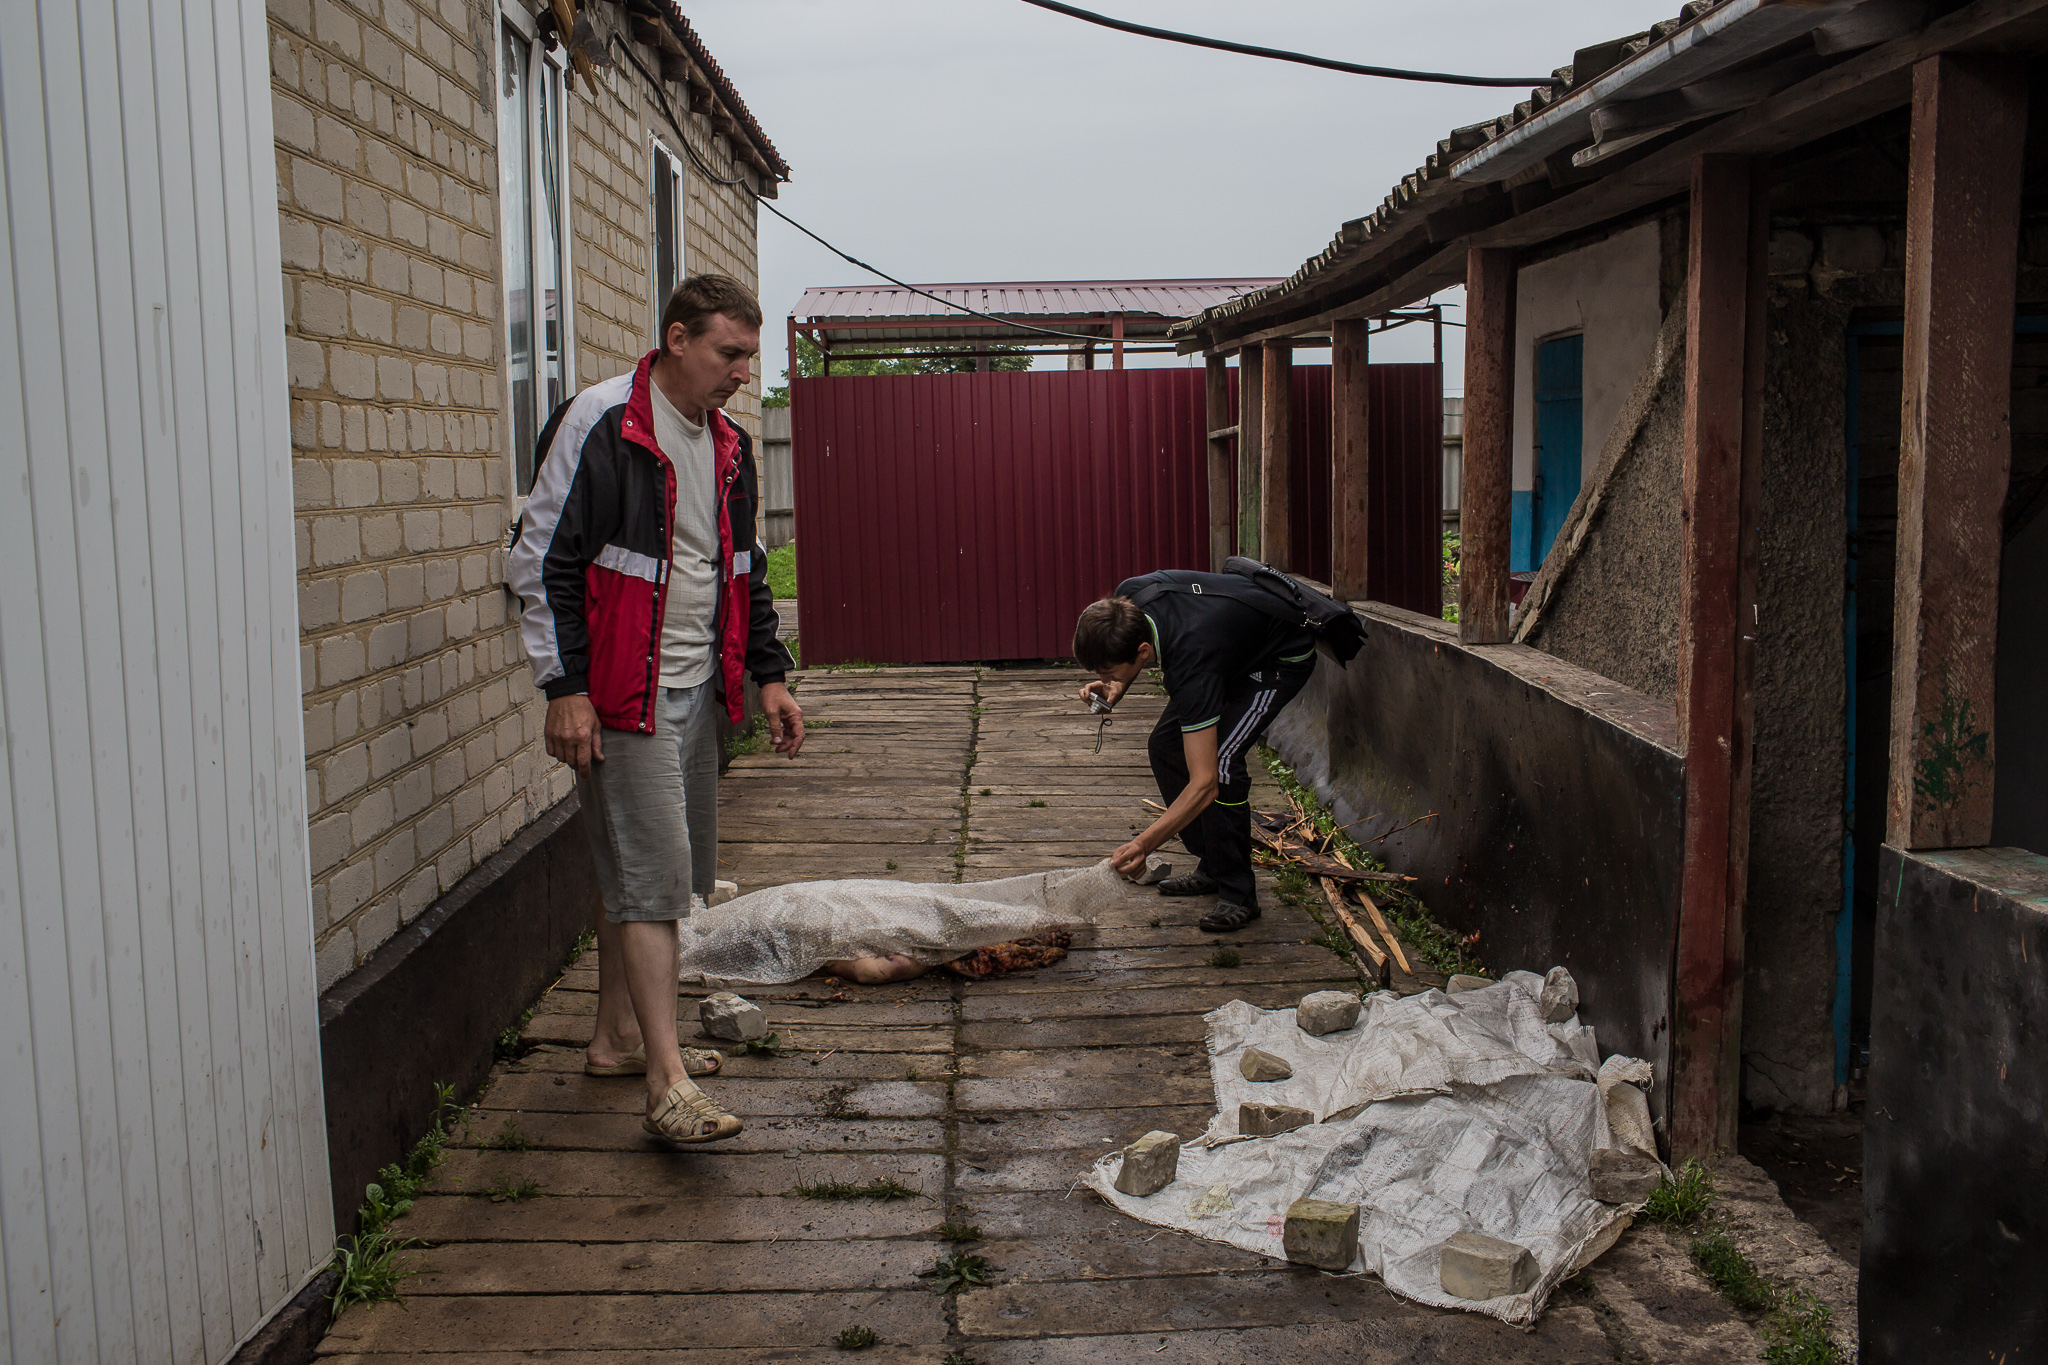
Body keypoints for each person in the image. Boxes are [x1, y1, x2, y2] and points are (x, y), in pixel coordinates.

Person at [507, 274, 800, 1144]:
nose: (743, 371)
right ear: (678, 338)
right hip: (620, 695)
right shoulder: (600, 422)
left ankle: (616, 1037)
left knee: (648, 874)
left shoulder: (730, 447)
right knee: (657, 885)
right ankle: (666, 1084)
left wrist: (770, 674)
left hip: (694, 691)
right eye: (729, 353)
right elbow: (539, 563)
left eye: (750, 355)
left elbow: (743, 569)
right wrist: (563, 689)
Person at [1074, 571, 1318, 932]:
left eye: (1107, 670)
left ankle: (1238, 892)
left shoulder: (1193, 662)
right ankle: (1215, 864)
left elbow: (1204, 785)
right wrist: (1118, 685)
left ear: (1142, 651)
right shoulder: (1129, 600)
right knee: (1165, 747)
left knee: (1220, 764)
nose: (1102, 676)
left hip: (1276, 660)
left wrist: (1144, 844)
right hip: (1225, 647)